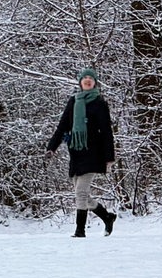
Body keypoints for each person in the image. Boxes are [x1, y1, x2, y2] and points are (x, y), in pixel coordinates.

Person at [45, 67, 118, 237]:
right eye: (84, 78)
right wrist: (51, 148)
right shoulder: (73, 101)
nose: (87, 80)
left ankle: (80, 231)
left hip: (93, 153)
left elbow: (107, 131)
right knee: (82, 194)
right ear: (80, 82)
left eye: (90, 78)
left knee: (81, 193)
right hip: (76, 153)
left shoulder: (99, 103)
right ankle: (107, 217)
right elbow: (62, 126)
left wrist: (109, 158)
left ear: (94, 83)